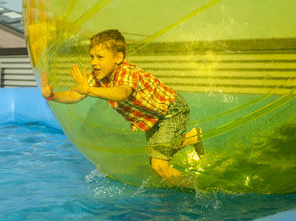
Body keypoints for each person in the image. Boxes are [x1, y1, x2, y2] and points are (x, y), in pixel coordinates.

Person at [40, 29, 204, 187]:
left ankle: (193, 192)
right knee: (156, 156)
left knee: (159, 165)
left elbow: (123, 92)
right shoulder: (99, 76)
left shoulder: (126, 71)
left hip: (171, 110)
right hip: (152, 116)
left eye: (99, 57)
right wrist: (52, 95)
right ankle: (191, 137)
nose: (93, 62)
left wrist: (89, 90)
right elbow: (75, 95)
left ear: (118, 58)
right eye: (92, 57)